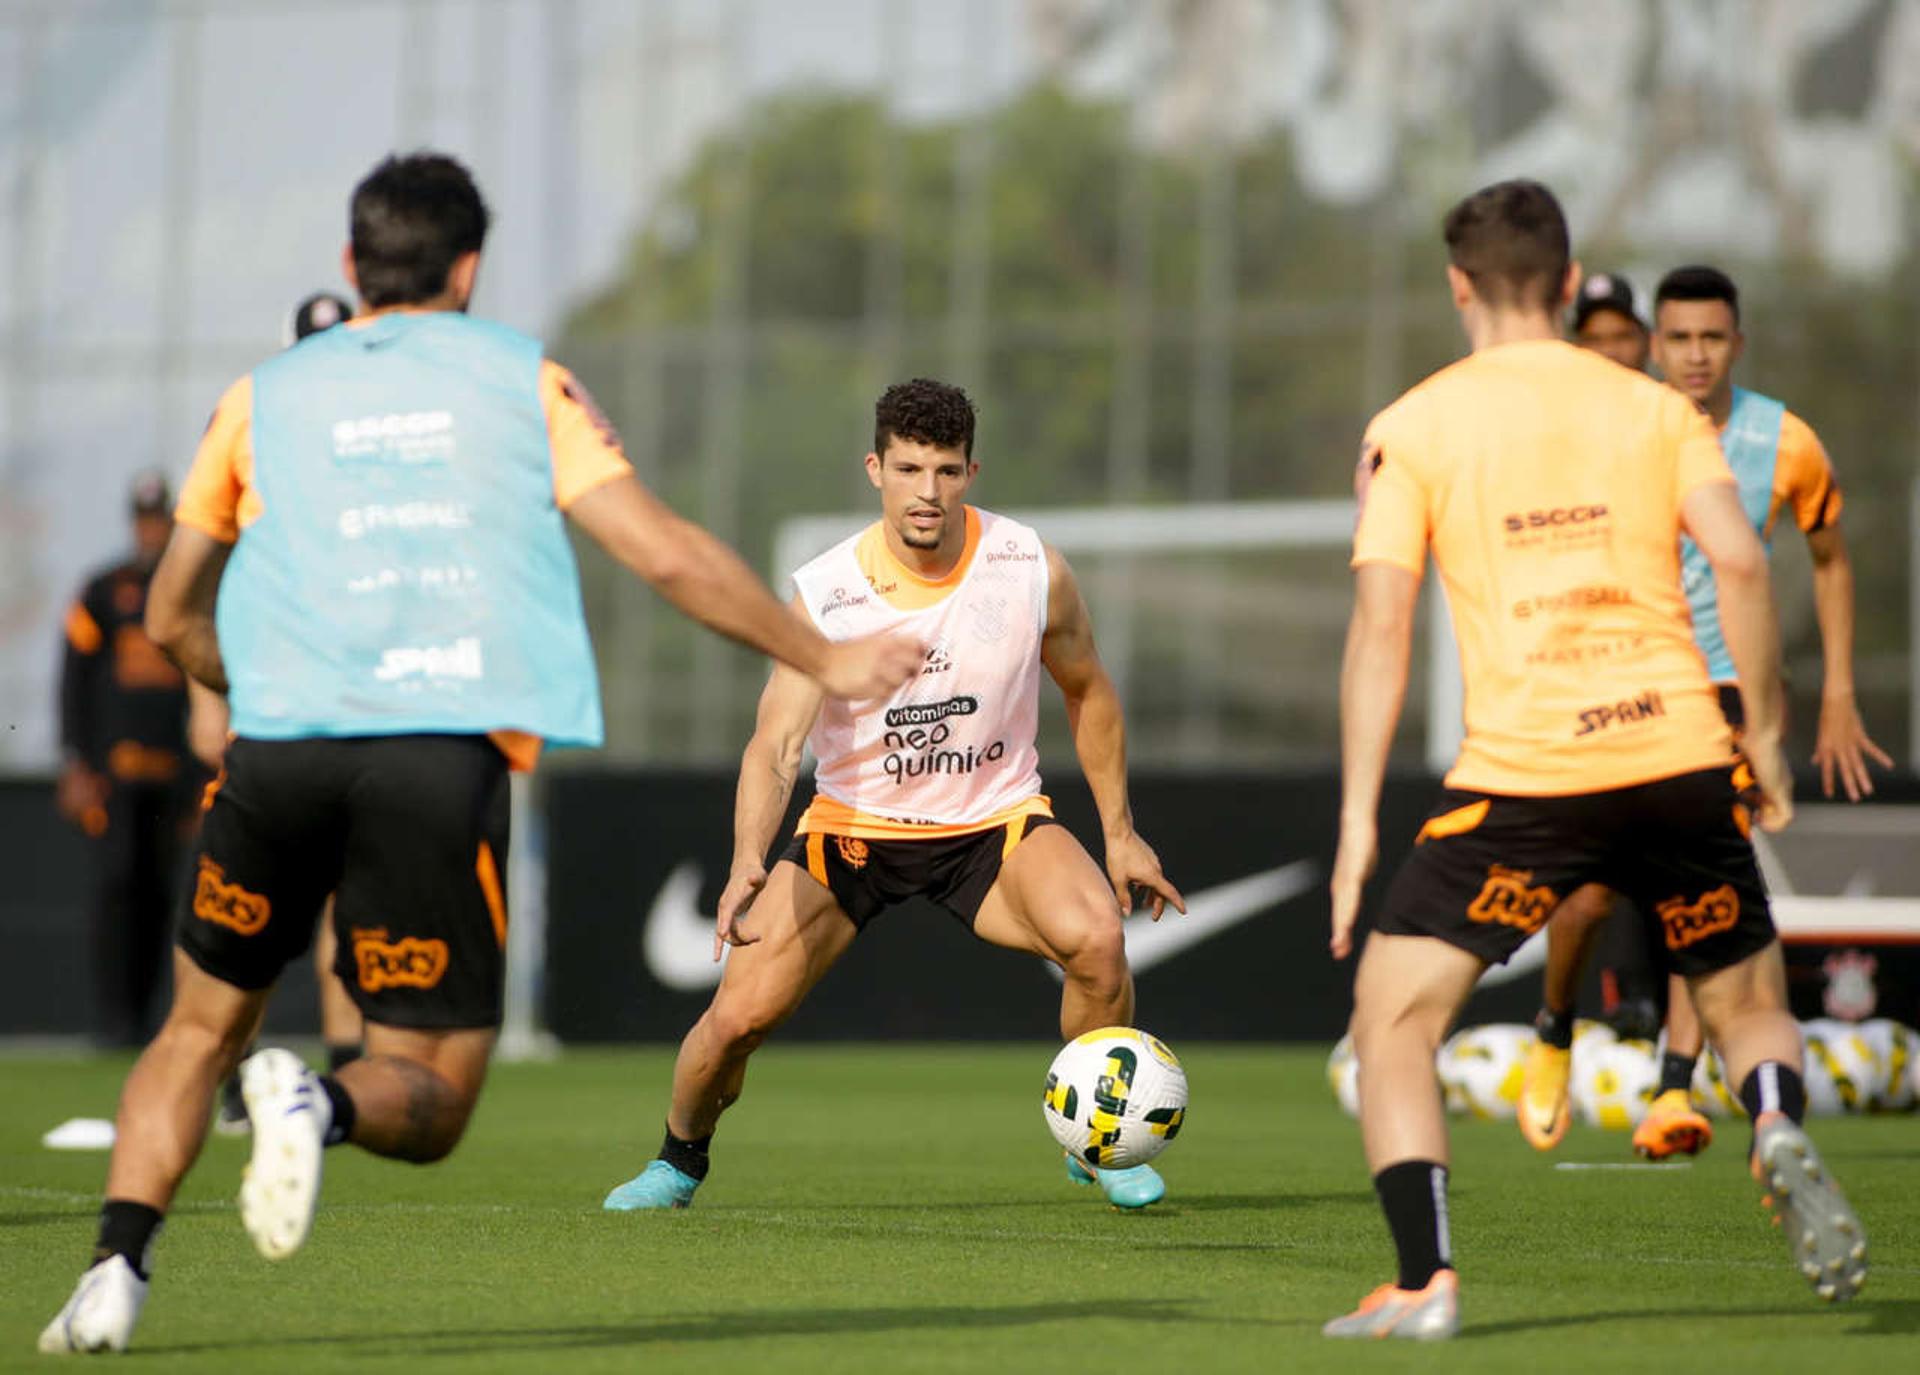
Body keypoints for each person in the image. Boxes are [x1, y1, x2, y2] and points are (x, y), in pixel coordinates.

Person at [39, 151, 922, 1356]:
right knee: (435, 1091)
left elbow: (176, 613)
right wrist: (823, 656)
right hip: (432, 758)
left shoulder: (261, 396)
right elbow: (661, 552)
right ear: (468, 268)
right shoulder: (524, 382)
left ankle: (111, 1271)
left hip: (277, 752)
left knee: (194, 1031)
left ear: (351, 269)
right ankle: (323, 1098)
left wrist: (255, 689)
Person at [1325, 179, 1866, 1340]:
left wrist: (1359, 821)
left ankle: (1426, 1284)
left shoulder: (1411, 425)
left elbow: (1379, 629)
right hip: (1677, 751)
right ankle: (1773, 1121)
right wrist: (1763, 738)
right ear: (1572, 287)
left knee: (1393, 1020)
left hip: (1527, 775)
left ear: (1458, 286)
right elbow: (1746, 563)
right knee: (1750, 1002)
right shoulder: (1656, 409)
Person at [600, 377, 1186, 1215]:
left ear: (971, 472)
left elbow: (1090, 690)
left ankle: (1097, 1141)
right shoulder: (827, 594)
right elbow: (775, 745)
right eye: (909, 468)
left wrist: (1122, 834)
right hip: (852, 833)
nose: (928, 491)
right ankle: (677, 1160)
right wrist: (744, 862)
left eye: (947, 470)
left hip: (995, 821)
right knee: (734, 1023)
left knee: (1097, 938)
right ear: (875, 468)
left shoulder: (1029, 568)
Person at [1519, 264, 1890, 1162]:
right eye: (1678, 338)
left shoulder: (1784, 440)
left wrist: (1835, 692)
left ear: (1738, 341)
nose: (1694, 355)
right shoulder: (1616, 427)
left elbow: (1831, 558)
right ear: (1654, 343)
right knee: (1585, 899)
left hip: (1721, 699)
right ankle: (1556, 1022)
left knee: (1704, 891)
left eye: (1711, 338)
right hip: (1614, 686)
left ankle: (1673, 1088)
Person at [210, 290, 364, 1136]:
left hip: (353, 711)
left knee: (346, 901)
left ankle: (342, 1084)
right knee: (255, 908)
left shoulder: (380, 448)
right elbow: (199, 579)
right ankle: (232, 1077)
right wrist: (210, 694)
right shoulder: (250, 433)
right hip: (269, 711)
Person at [56, 471, 200, 1048]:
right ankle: (113, 1020)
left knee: (162, 892)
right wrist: (77, 760)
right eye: (144, 519)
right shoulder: (103, 589)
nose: (152, 530)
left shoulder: (190, 590)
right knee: (117, 888)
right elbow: (74, 678)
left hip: (174, 775)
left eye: (160, 519)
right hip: (115, 776)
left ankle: (147, 1016)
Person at [1569, 270, 1650, 371]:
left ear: (1649, 342)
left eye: (1622, 337)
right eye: (1593, 340)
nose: (1609, 352)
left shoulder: (1664, 387)